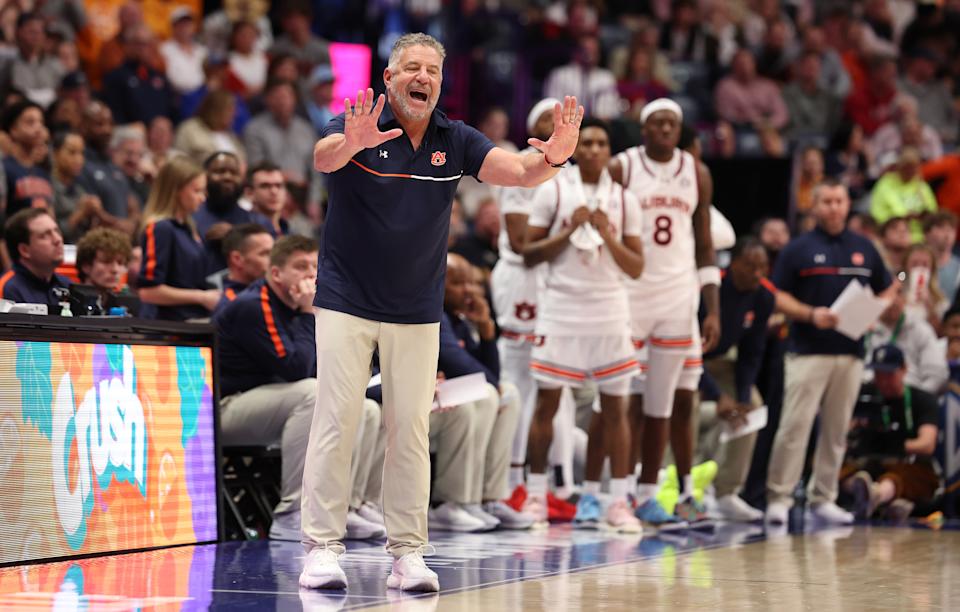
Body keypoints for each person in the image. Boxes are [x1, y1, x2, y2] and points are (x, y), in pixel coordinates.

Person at [301, 32, 583, 593]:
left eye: (432, 69)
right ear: (389, 77)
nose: (422, 77)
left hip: (416, 307)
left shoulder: (454, 139)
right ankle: (321, 548)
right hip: (346, 299)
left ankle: (407, 553)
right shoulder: (360, 120)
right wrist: (351, 143)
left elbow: (522, 172)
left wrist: (555, 154)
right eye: (410, 67)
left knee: (409, 428)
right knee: (338, 420)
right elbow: (322, 160)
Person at [215, 236, 385, 541]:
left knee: (368, 410)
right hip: (226, 408)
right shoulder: (255, 305)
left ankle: (350, 507)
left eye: (314, 267)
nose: (310, 275)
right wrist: (310, 314)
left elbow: (332, 367)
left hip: (278, 402)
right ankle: (292, 511)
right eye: (301, 267)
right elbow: (297, 369)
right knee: (313, 392)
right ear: (277, 274)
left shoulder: (302, 306)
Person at [520, 118, 644, 533]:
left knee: (616, 408)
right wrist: (570, 228)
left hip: (610, 309)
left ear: (610, 152)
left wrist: (607, 235)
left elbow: (637, 267)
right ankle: (537, 495)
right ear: (575, 149)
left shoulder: (626, 200)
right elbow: (529, 253)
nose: (592, 149)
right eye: (586, 143)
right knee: (547, 404)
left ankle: (619, 501)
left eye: (600, 143)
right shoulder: (553, 188)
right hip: (562, 307)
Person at [609, 98, 720, 528]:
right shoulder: (623, 167)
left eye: (671, 123)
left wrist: (712, 308)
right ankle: (607, 492)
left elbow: (705, 242)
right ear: (643, 129)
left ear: (679, 129)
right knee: (618, 400)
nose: (664, 130)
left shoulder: (697, 172)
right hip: (631, 295)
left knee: (664, 404)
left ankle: (649, 494)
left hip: (678, 297)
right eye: (656, 123)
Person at [765, 178, 894, 526]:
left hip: (850, 352)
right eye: (827, 202)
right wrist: (810, 314)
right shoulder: (798, 248)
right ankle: (779, 496)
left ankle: (824, 497)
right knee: (795, 426)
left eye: (839, 201)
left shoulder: (865, 247)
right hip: (808, 350)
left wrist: (872, 313)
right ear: (815, 206)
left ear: (847, 205)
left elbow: (888, 287)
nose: (834, 208)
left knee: (837, 430)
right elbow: (777, 295)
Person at [489, 98, 557, 494]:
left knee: (548, 386)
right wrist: (571, 238)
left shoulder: (570, 173)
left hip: (552, 281)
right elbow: (519, 243)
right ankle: (507, 481)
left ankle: (540, 484)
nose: (556, 124)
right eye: (548, 119)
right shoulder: (522, 167)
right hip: (520, 281)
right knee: (515, 380)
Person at [433, 254, 529, 531]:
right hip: (424, 397)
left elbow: (491, 374)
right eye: (458, 283)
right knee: (489, 393)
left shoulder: (460, 321)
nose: (469, 291)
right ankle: (452, 501)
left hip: (445, 394)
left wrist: (487, 330)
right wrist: (494, 386)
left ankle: (488, 497)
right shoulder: (434, 315)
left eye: (472, 283)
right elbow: (460, 365)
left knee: (506, 392)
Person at [694, 237, 775, 522]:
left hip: (723, 362)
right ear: (734, 263)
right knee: (687, 406)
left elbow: (751, 354)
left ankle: (727, 491)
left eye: (763, 267)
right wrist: (717, 395)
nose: (757, 273)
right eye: (750, 266)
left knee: (753, 405)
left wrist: (740, 397)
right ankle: (683, 488)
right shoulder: (711, 290)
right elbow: (690, 348)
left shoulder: (764, 297)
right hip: (691, 360)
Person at [844, 344, 941, 523]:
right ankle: (865, 494)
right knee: (842, 470)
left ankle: (877, 496)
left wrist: (895, 444)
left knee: (904, 476)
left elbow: (927, 444)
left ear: (904, 369)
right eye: (878, 375)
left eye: (889, 374)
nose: (883, 381)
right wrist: (858, 431)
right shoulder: (864, 395)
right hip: (867, 463)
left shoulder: (922, 400)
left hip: (905, 463)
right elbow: (841, 435)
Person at [138, 157, 221, 321]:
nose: (203, 198)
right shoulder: (161, 228)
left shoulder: (190, 228)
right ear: (176, 191)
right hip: (171, 326)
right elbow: (149, 292)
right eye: (197, 191)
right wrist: (202, 297)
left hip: (194, 320)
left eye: (204, 191)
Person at [76, 101, 138, 234]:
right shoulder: (81, 164)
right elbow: (91, 207)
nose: (107, 130)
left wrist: (131, 222)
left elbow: (132, 203)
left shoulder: (113, 166)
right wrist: (119, 225)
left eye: (110, 124)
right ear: (83, 127)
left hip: (122, 242)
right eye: (99, 124)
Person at [0, 208, 69, 310]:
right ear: (24, 250)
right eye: (44, 236)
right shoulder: (7, 288)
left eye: (57, 231)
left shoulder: (66, 284)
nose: (57, 239)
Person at [870, 147, 938, 243]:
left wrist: (924, 216)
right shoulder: (885, 184)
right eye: (907, 167)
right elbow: (877, 214)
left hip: (920, 240)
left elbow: (933, 212)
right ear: (899, 166)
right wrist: (902, 217)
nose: (910, 171)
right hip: (892, 238)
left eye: (914, 167)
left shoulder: (922, 186)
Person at [1, 100, 54, 216]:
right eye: (30, 122)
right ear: (13, 130)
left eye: (41, 122)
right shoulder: (5, 168)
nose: (38, 127)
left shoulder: (43, 172)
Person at [217, 223, 274, 306]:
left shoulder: (273, 291)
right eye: (265, 254)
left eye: (274, 253)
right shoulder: (235, 305)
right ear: (237, 259)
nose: (274, 260)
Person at [924, 212, 960, 302]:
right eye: (941, 228)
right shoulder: (913, 264)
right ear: (927, 234)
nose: (947, 234)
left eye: (951, 229)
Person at [247, 161, 290, 236]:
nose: (274, 191)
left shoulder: (289, 230)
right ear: (250, 193)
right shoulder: (243, 231)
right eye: (265, 186)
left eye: (279, 186)